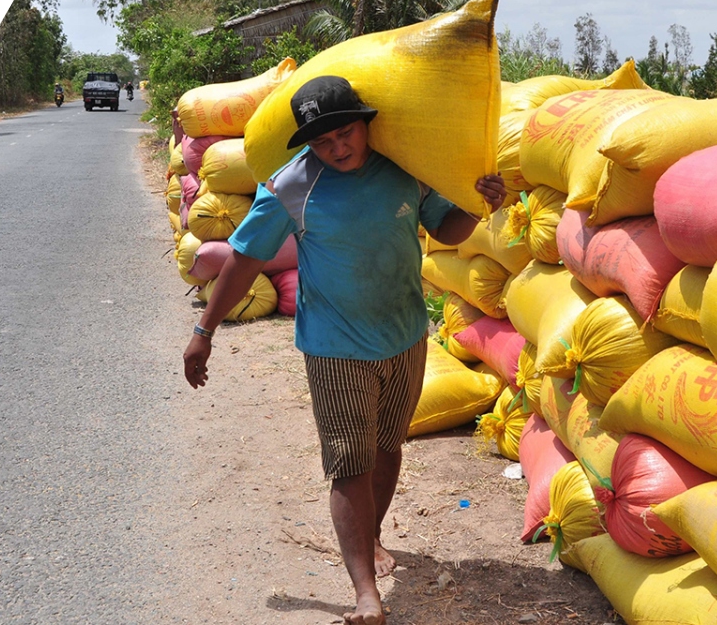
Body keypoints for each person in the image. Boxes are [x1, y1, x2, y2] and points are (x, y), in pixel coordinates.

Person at [183, 75, 504, 625]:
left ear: (366, 125)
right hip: (333, 347)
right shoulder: (290, 187)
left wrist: (481, 204)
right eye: (324, 141)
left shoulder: (406, 170)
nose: (338, 147)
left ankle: (374, 538)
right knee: (349, 462)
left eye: (347, 133)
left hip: (404, 335)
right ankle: (365, 593)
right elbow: (243, 260)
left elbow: (446, 228)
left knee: (388, 446)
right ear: (308, 144)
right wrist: (204, 332)